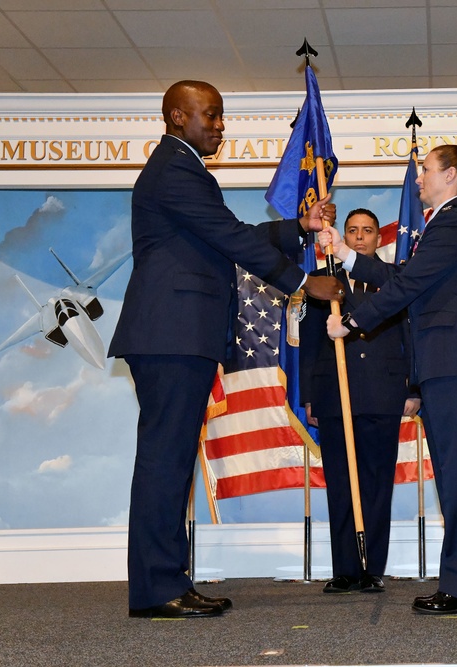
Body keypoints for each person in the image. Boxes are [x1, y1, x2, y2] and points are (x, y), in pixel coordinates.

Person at [108, 80, 343, 619]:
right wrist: (303, 284)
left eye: (221, 116)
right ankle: (157, 588)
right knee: (165, 463)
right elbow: (229, 236)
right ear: (175, 116)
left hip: (178, 336)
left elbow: (223, 235)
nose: (219, 125)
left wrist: (298, 229)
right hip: (171, 335)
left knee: (168, 462)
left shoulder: (182, 169)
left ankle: (164, 582)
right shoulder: (175, 169)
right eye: (210, 116)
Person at [317, 144, 457, 615]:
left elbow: (406, 287)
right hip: (445, 368)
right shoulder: (445, 224)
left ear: (450, 176)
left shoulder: (454, 222)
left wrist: (352, 324)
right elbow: (404, 275)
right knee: (456, 480)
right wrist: (346, 255)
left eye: (425, 170)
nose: (418, 178)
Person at [300, 208, 420, 595]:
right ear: (342, 237)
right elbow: (310, 343)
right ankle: (345, 569)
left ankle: (372, 568)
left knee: (376, 482)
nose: (360, 236)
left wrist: (413, 388)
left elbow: (410, 335)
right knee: (340, 482)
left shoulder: (394, 280)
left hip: (383, 393)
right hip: (336, 394)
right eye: (352, 230)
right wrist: (310, 395)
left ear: (379, 238)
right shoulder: (324, 284)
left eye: (367, 230)